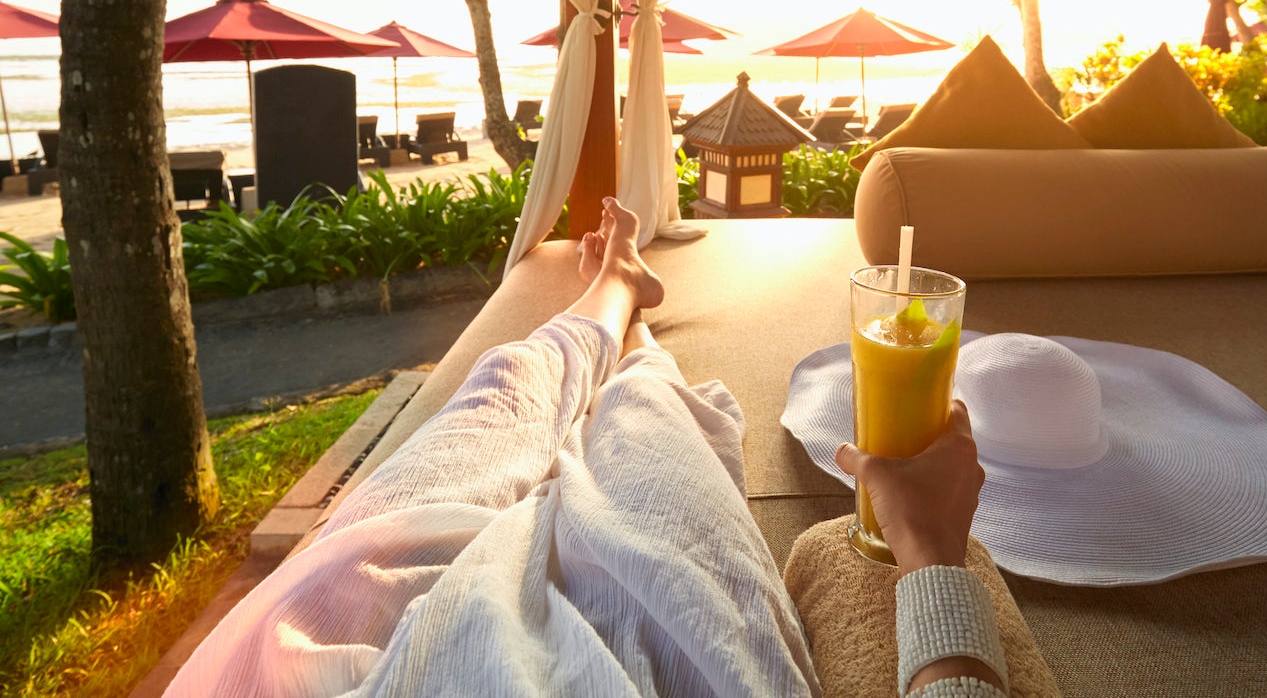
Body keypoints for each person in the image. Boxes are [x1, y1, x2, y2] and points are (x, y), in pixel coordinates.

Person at [166, 200, 1007, 697]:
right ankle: (627, 323)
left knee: (505, 393)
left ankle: (614, 297)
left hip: (319, 660)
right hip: (676, 666)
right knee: (649, 420)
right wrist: (932, 549)